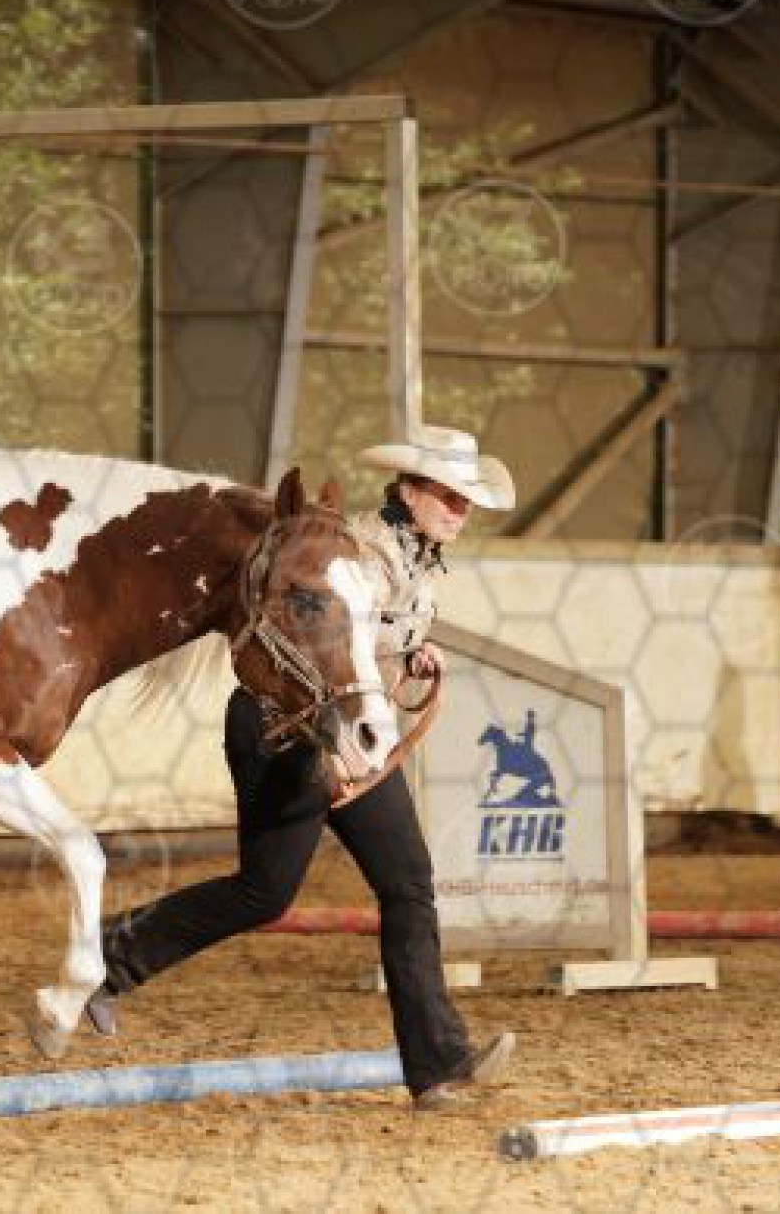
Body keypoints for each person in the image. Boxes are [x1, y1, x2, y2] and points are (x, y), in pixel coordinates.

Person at [87, 425, 519, 1113]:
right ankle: (107, 954)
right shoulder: (362, 551)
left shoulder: (413, 554)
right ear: (410, 490)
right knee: (271, 893)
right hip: (287, 731)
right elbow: (316, 642)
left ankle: (438, 1066)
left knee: (398, 883)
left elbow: (363, 643)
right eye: (449, 495)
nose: (460, 509)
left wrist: (412, 653)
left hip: (343, 732)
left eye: (467, 500)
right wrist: (329, 751)